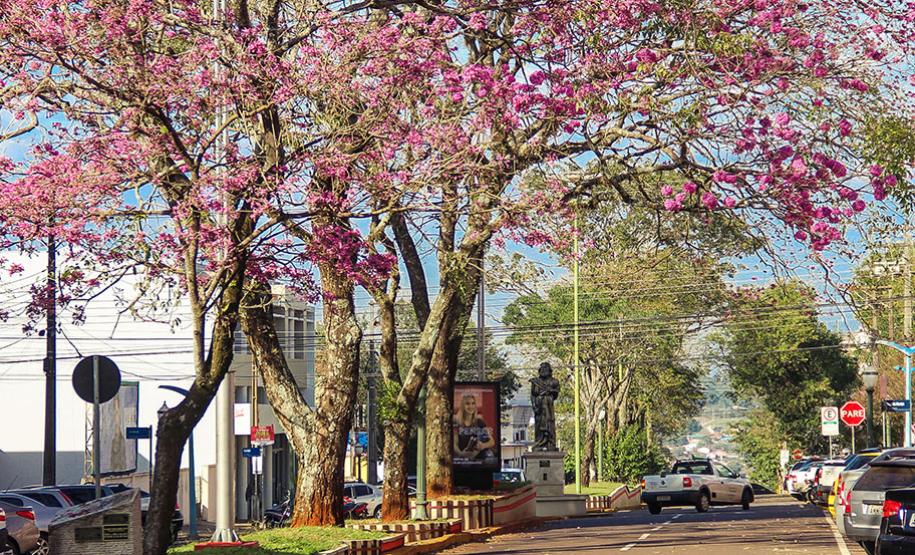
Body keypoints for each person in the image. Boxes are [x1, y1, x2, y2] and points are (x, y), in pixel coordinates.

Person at [453, 393, 497, 464]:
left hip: (478, 457)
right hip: (463, 457)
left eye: (473, 403)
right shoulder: (456, 422)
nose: (471, 406)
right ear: (462, 406)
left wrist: (482, 446)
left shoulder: (480, 422)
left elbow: (491, 442)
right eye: (467, 404)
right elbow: (454, 444)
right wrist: (461, 454)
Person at [531, 362, 560, 451]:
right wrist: (534, 407)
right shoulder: (535, 382)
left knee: (549, 423)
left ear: (549, 370)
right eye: (542, 369)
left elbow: (556, 393)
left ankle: (550, 442)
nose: (544, 371)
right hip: (539, 406)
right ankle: (539, 443)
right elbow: (532, 395)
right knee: (539, 425)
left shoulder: (554, 381)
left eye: (546, 368)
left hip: (548, 405)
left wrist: (549, 391)